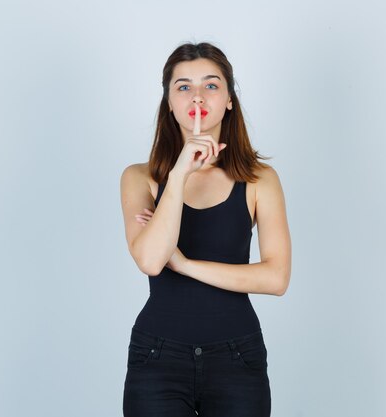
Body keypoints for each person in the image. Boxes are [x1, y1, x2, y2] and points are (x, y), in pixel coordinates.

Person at [120, 41, 292, 417]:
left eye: (211, 85)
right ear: (169, 102)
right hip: (157, 358)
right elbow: (150, 259)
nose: (197, 95)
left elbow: (276, 278)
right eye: (183, 86)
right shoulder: (140, 178)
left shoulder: (260, 179)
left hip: (237, 358)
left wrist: (184, 264)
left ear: (229, 98)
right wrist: (181, 170)